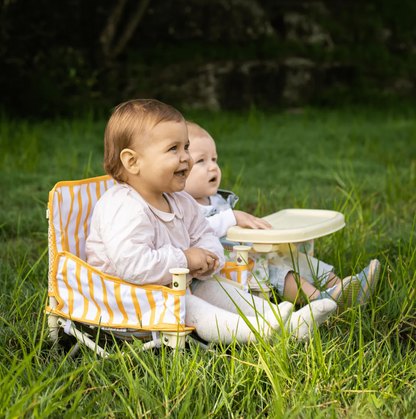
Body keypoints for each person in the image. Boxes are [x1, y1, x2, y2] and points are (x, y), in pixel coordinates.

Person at [85, 99, 336, 344]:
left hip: (173, 284)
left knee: (220, 288)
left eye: (186, 147)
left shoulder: (179, 199)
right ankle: (259, 332)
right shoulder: (123, 206)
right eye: (174, 149)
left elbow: (203, 233)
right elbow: (133, 265)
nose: (186, 157)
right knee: (190, 306)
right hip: (125, 300)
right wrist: (186, 259)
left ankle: (284, 320)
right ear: (133, 161)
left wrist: (209, 257)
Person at [184, 121, 381, 311]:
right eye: (201, 160)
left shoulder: (217, 200)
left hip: (250, 254)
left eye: (214, 159)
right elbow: (196, 232)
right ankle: (322, 302)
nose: (212, 167)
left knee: (293, 257)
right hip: (230, 270)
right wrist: (233, 217)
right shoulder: (182, 207)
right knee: (277, 269)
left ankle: (343, 287)